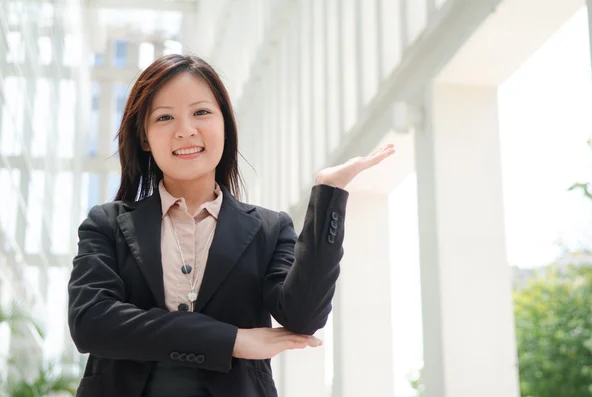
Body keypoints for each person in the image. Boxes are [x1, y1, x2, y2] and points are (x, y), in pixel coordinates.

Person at [67, 54, 395, 397]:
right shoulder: (107, 224)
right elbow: (91, 323)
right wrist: (233, 340)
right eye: (164, 117)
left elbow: (302, 317)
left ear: (225, 124)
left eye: (201, 112)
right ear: (145, 138)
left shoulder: (269, 229)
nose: (186, 130)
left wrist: (328, 195)